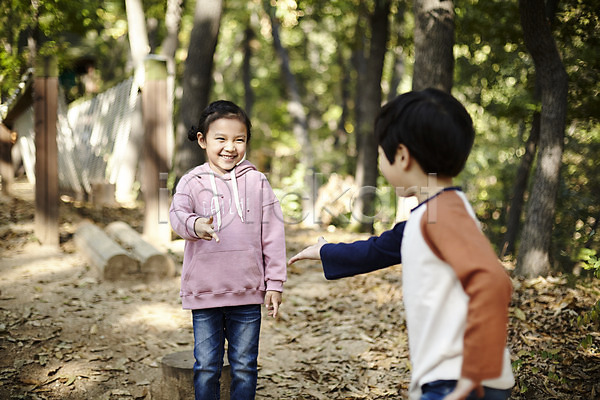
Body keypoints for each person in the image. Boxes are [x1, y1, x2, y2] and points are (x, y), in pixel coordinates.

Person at [288, 88, 514, 400]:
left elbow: (493, 282)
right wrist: (324, 250)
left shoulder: (442, 215)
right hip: (452, 378)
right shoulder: (436, 211)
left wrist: (474, 372)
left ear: (403, 156)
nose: (380, 162)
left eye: (381, 154)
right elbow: (380, 248)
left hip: (460, 381)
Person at [169, 100, 287, 400]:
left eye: (239, 139)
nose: (230, 147)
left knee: (245, 367)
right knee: (207, 367)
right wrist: (196, 225)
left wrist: (274, 283)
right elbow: (176, 215)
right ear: (202, 140)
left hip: (247, 293)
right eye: (220, 138)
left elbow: (273, 234)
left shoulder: (258, 182)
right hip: (205, 293)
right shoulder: (191, 182)